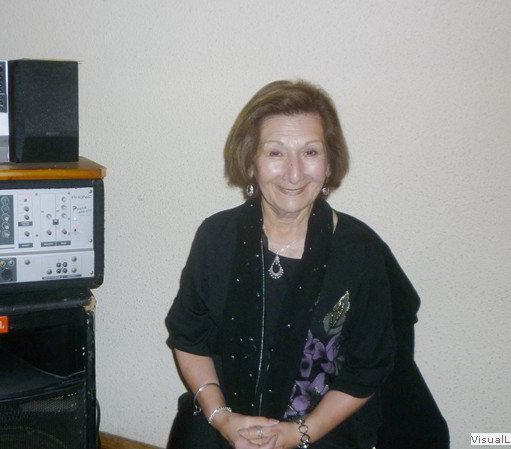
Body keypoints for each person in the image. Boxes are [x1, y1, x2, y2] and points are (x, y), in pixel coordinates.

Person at [165, 80, 448, 449]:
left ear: (329, 164)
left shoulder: (360, 252)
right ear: (250, 162)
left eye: (310, 152)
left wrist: (298, 433)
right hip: (226, 413)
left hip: (321, 425)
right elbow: (188, 337)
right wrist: (221, 417)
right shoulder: (216, 236)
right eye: (276, 153)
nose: (294, 173)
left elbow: (367, 369)